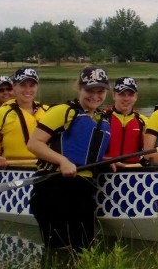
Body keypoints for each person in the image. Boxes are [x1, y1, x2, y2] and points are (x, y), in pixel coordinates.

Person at [26, 66, 113, 252]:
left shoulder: (102, 119)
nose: (95, 96)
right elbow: (34, 144)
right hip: (54, 184)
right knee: (61, 250)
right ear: (79, 88)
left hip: (83, 188)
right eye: (90, 90)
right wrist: (62, 161)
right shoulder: (63, 111)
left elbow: (85, 152)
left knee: (83, 249)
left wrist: (108, 160)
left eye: (101, 91)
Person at [0, 69, 49, 168]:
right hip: (13, 171)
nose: (28, 90)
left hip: (44, 169)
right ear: (14, 87)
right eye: (23, 85)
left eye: (32, 85)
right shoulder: (2, 113)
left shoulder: (47, 111)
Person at [103, 77, 149, 163]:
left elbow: (149, 151)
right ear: (114, 96)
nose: (126, 99)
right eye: (122, 94)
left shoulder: (144, 121)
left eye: (130, 95)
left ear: (136, 97)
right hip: (104, 169)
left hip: (133, 172)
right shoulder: (100, 118)